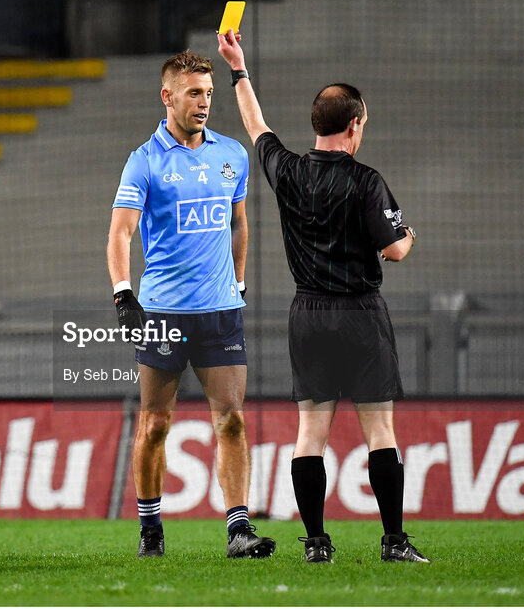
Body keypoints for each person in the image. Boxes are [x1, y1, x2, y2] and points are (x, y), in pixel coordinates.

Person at [215, 30, 429, 564]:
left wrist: (238, 69)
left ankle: (315, 543)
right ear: (354, 125)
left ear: (317, 124)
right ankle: (394, 541)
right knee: (379, 429)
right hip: (360, 313)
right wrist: (407, 237)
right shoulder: (366, 180)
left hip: (307, 314)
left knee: (310, 433)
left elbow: (254, 125)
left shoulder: (286, 170)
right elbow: (396, 249)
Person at [106, 50, 276, 559]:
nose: (204, 103)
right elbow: (121, 232)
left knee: (232, 421)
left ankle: (239, 531)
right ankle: (151, 530)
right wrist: (123, 293)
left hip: (220, 313)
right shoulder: (145, 160)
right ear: (168, 97)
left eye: (209, 93)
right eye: (194, 93)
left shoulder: (231, 155)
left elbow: (239, 222)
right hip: (162, 314)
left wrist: (239, 283)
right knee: (155, 424)